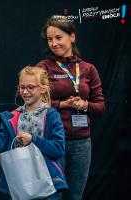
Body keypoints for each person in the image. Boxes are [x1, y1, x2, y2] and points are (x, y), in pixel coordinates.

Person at [36, 16, 105, 200]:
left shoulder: (88, 69)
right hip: (52, 141)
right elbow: (32, 102)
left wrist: (85, 105)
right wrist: (62, 104)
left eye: (58, 37)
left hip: (82, 143)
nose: (54, 43)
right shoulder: (42, 68)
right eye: (50, 39)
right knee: (51, 196)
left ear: (72, 37)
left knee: (74, 196)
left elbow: (100, 107)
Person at [0, 67, 68, 200]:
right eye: (22, 87)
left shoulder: (51, 115)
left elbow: (59, 149)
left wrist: (33, 140)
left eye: (30, 87)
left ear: (43, 89)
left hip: (47, 184)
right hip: (19, 183)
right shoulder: (12, 117)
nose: (25, 91)